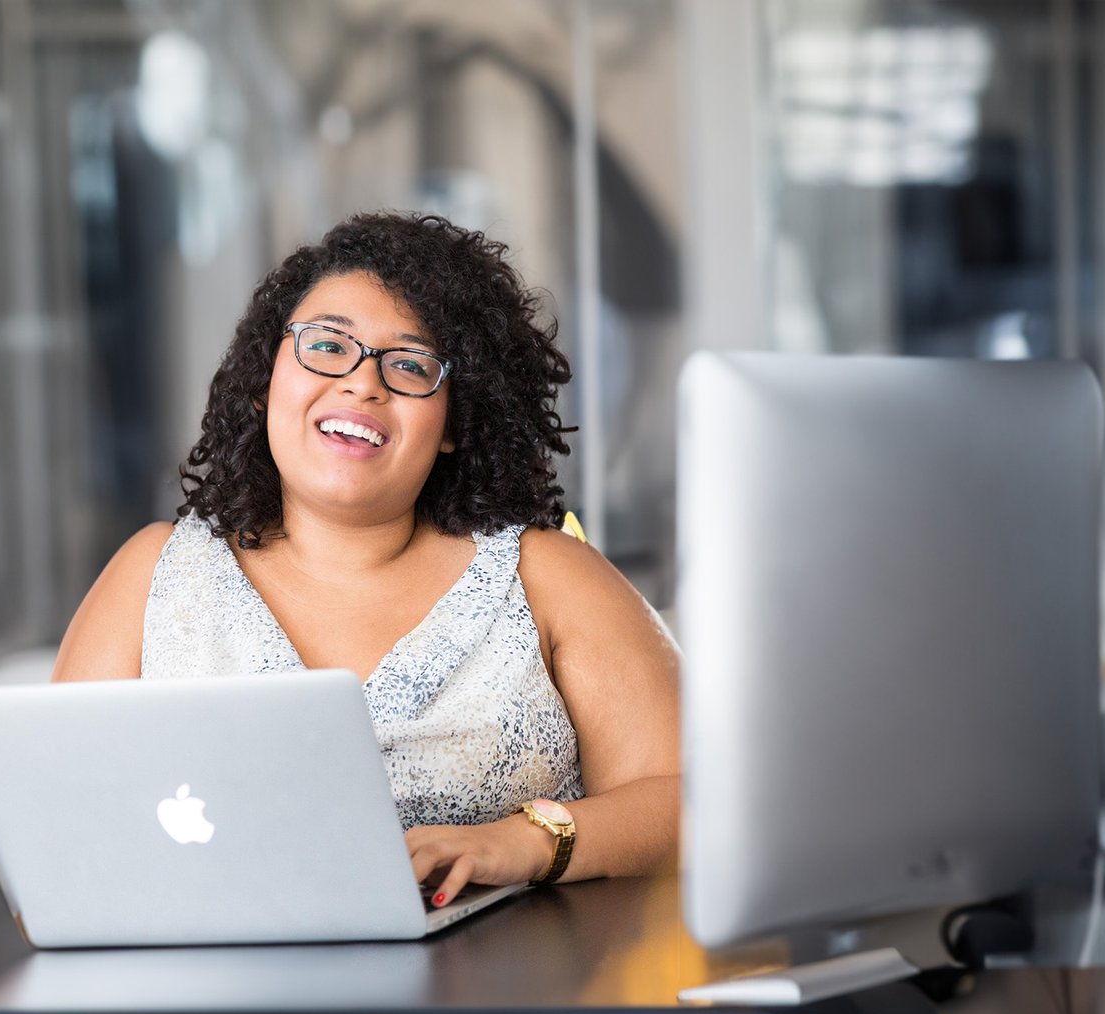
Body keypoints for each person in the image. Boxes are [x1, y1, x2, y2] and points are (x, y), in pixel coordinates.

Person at [51, 211, 681, 907]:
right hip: (210, 1003)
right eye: (327, 346)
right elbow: (46, 835)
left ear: (453, 425)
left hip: (500, 998)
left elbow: (695, 802)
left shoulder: (548, 578)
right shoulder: (153, 577)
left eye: (410, 364)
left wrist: (526, 842)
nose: (362, 384)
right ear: (267, 381)